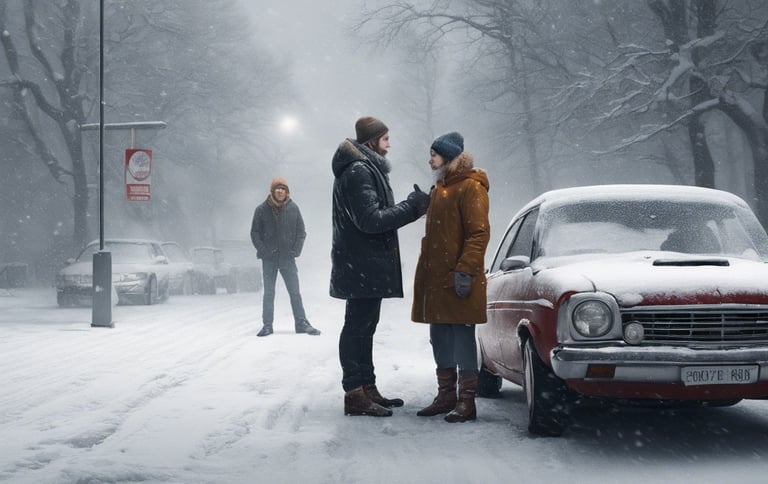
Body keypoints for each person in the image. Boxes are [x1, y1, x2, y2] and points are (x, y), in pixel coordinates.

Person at [330, 116, 430, 417]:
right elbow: (371, 220)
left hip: (362, 262)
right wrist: (412, 207)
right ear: (372, 141)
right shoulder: (359, 170)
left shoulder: (364, 168)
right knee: (357, 328)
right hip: (360, 262)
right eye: (385, 138)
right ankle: (354, 393)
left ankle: (366, 387)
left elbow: (374, 215)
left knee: (364, 328)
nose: (389, 144)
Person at [412, 131, 490, 423]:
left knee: (462, 338)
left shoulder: (471, 187)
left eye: (434, 153)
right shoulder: (440, 188)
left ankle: (466, 401)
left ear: (447, 157)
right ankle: (445, 396)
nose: (429, 159)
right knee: (439, 337)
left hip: (459, 277)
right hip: (436, 280)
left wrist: (464, 269)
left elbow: (479, 233)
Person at [250, 177, 320, 337]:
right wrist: (264, 251)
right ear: (272, 190)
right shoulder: (261, 209)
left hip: (288, 258)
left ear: (287, 192)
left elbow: (301, 231)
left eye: (283, 188)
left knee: (295, 292)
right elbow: (255, 233)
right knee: (269, 293)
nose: (280, 191)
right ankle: (267, 325)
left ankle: (301, 323)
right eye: (277, 188)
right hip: (269, 259)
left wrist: (296, 250)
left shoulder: (293, 208)